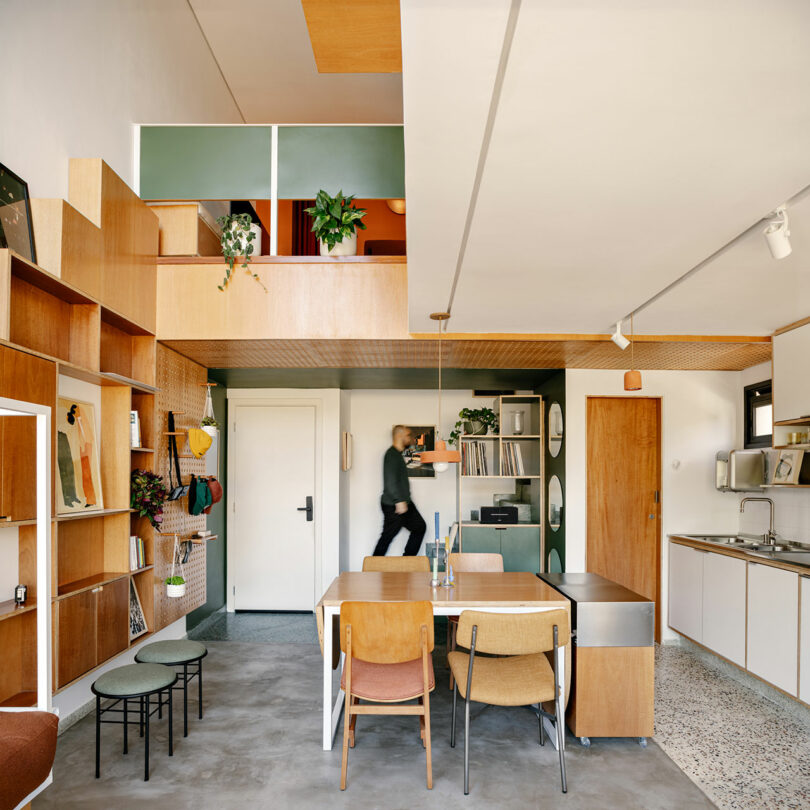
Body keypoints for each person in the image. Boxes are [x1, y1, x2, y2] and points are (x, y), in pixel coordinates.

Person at [372, 425, 427, 556]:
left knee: (419, 527)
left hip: (405, 503)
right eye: (408, 435)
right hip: (394, 505)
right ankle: (371, 570)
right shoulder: (391, 454)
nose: (411, 439)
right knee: (387, 537)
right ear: (399, 436)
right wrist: (398, 501)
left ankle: (407, 561)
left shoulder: (397, 455)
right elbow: (390, 481)